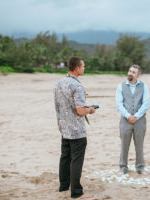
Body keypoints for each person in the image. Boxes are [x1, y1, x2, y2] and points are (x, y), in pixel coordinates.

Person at [54, 56, 95, 199]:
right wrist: (90, 109)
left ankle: (63, 186)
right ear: (77, 68)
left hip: (64, 128)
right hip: (76, 130)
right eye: (83, 66)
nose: (84, 68)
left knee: (65, 157)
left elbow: (58, 107)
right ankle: (76, 192)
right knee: (76, 159)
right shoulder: (77, 86)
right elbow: (80, 110)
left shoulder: (58, 83)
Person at [115, 64, 150, 174]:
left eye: (133, 72)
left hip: (140, 121)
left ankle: (140, 167)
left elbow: (146, 104)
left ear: (138, 75)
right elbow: (119, 104)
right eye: (130, 71)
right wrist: (128, 116)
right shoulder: (120, 86)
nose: (130, 73)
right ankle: (123, 167)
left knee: (139, 145)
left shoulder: (144, 86)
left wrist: (136, 116)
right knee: (124, 144)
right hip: (125, 120)